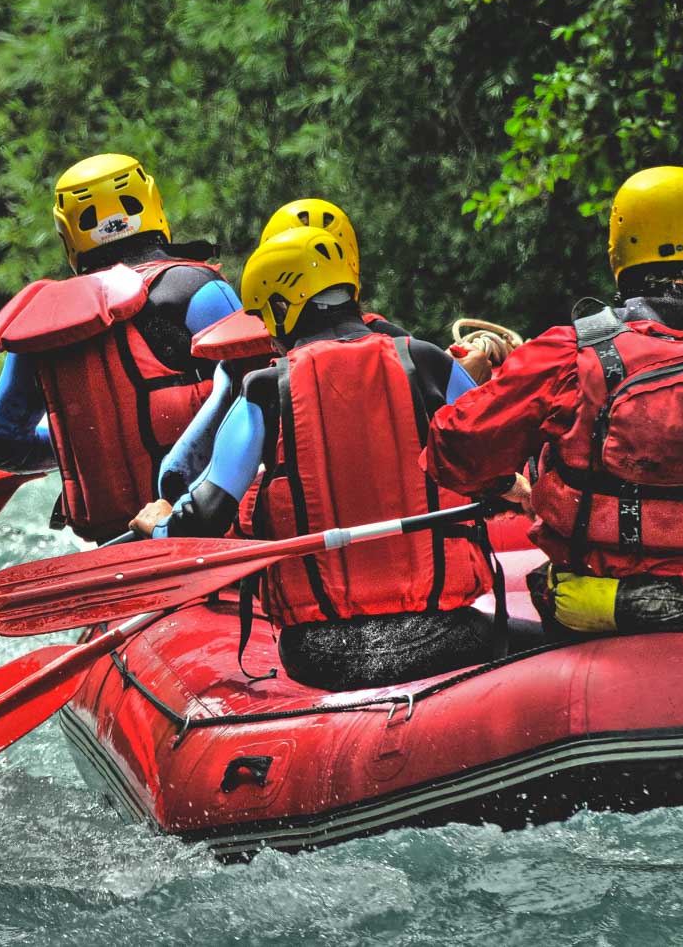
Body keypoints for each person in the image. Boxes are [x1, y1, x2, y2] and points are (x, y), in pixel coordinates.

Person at [131, 227, 495, 690]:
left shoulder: (264, 390)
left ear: (283, 309)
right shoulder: (428, 362)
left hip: (323, 651)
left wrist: (157, 526)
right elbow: (499, 459)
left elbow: (206, 515)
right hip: (446, 634)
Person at [425, 166, 683, 635]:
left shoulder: (567, 352)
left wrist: (503, 476)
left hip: (596, 605)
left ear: (618, 250)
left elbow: (453, 451)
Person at [156, 197, 512, 504]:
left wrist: (165, 520)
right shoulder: (415, 355)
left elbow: (177, 477)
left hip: (308, 565)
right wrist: (470, 379)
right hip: (426, 566)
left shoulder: (248, 375)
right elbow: (494, 449)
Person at [0, 153, 241, 542]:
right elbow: (263, 397)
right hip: (211, 528)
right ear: (152, 203)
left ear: (68, 233)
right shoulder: (196, 289)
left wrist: (83, 442)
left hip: (115, 548)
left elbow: (0, 446)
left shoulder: (42, 326)